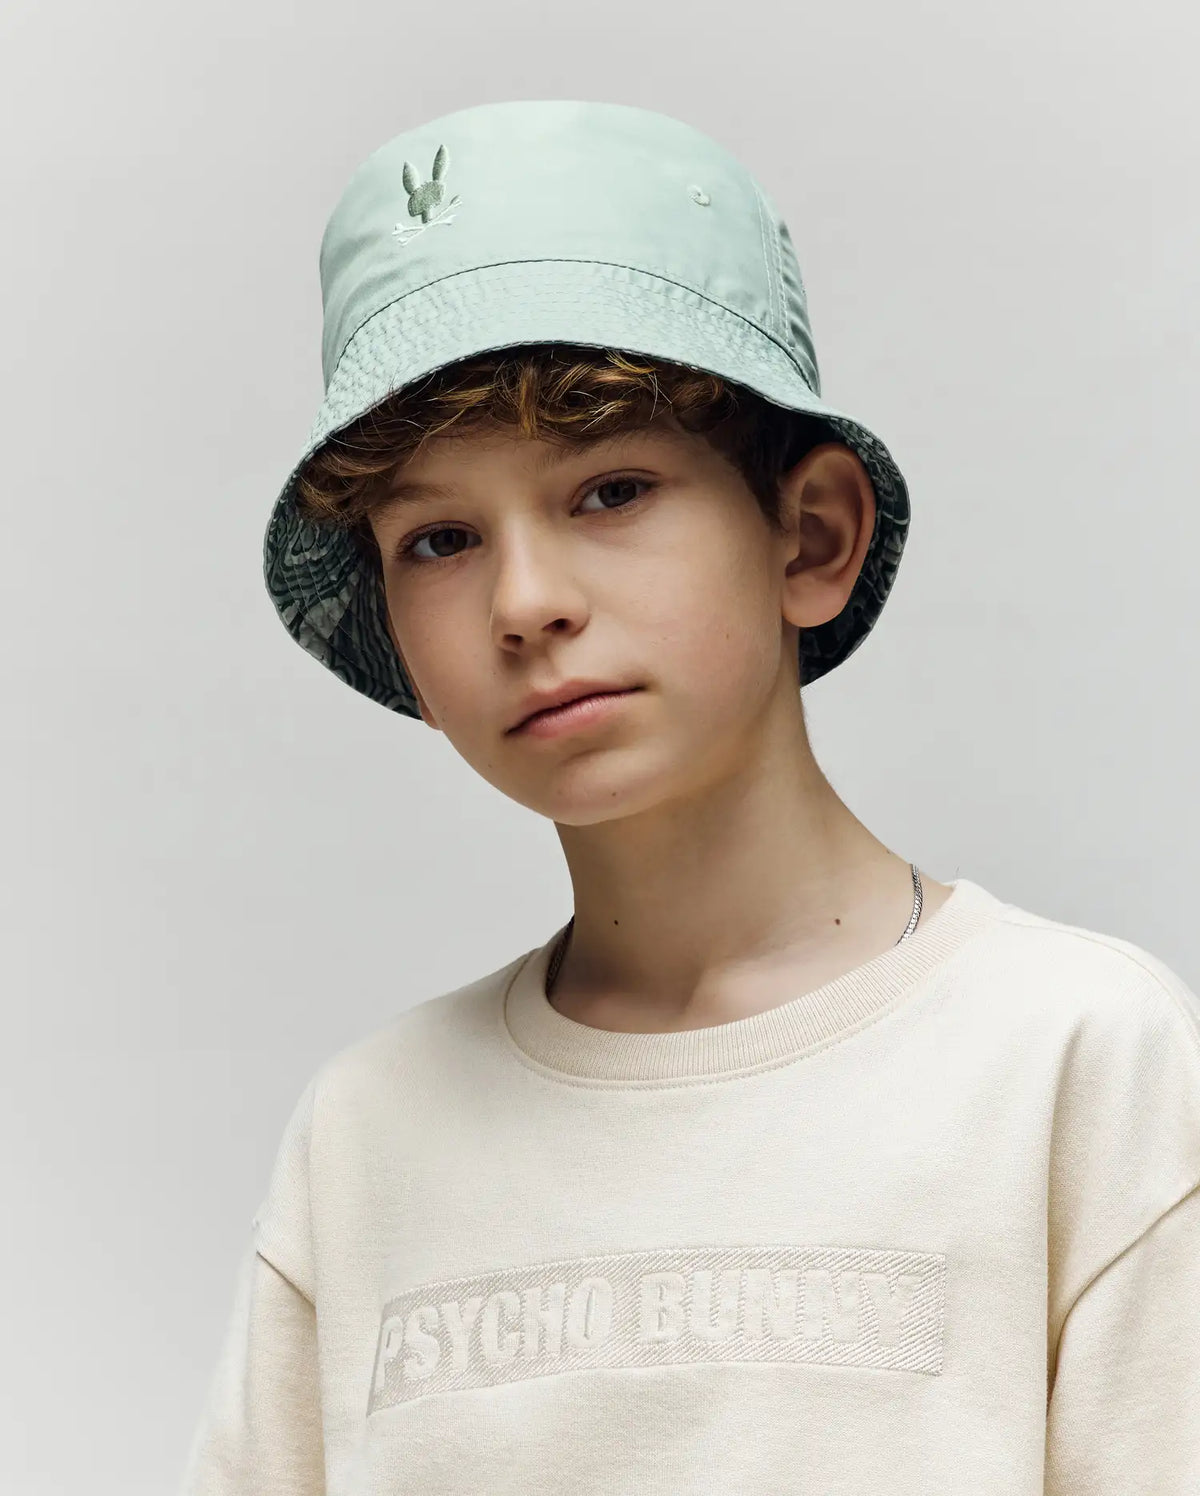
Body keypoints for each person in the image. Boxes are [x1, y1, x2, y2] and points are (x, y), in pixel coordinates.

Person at [179, 100, 1200, 1494]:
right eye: (440, 538)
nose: (526, 602)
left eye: (611, 490)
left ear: (811, 532)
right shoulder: (368, 1139)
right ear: (397, 633)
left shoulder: (1076, 1064)